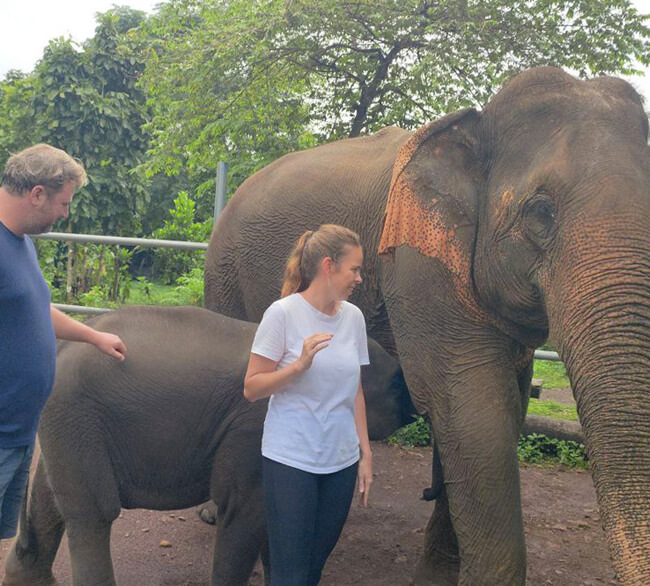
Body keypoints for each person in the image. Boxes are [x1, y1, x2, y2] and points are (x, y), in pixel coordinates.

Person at [0, 144, 127, 542]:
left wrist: (94, 335)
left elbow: (34, 309)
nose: (64, 214)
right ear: (37, 193)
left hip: (19, 430)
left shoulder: (20, 244)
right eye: (63, 203)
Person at [244, 224, 373, 586]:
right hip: (291, 461)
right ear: (329, 266)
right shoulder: (281, 314)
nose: (359, 278)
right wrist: (298, 366)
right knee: (289, 573)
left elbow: (355, 390)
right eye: (355, 269)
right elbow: (252, 388)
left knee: (313, 568)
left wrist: (365, 453)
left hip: (341, 464)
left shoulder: (354, 318)